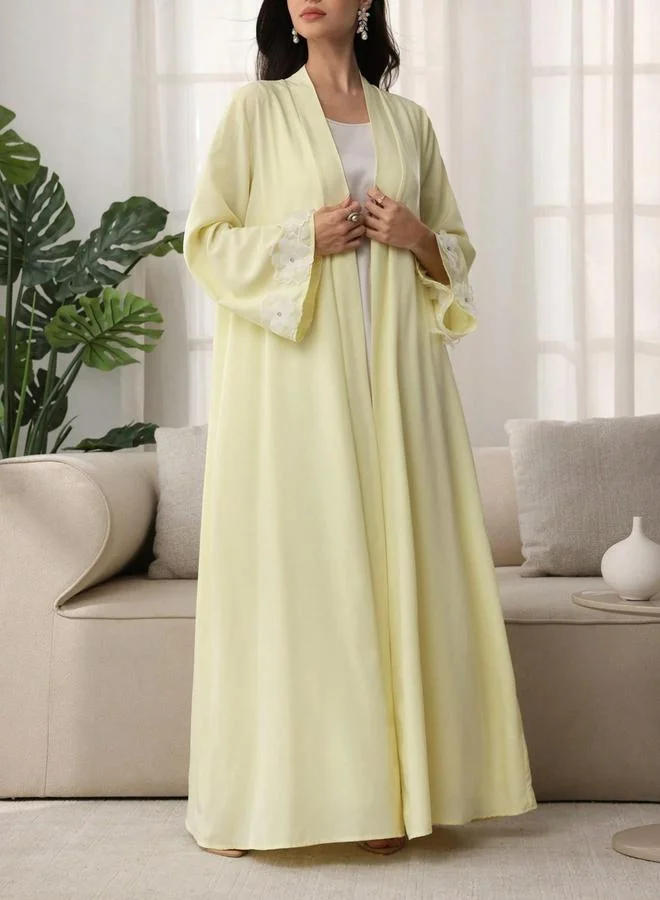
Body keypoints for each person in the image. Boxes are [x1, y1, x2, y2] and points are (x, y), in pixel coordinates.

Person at [182, 0, 537, 859]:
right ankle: (257, 804)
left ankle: (389, 795)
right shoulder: (256, 112)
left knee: (395, 571)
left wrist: (416, 236)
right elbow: (207, 242)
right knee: (303, 577)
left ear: (367, 4)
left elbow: (456, 251)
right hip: (296, 385)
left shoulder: (408, 123)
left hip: (400, 380)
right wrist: (302, 236)